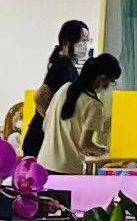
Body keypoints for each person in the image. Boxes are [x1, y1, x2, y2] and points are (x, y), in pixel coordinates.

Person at [19, 17, 87, 151]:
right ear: (67, 42)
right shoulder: (61, 66)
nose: (85, 45)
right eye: (82, 41)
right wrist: (52, 124)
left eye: (87, 41)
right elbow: (41, 97)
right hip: (41, 139)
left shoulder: (69, 66)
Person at [45, 51, 122, 167]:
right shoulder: (94, 104)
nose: (109, 87)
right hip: (67, 168)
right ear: (102, 78)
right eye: (111, 82)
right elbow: (85, 144)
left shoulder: (64, 89)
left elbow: (46, 123)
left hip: (44, 162)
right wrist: (106, 153)